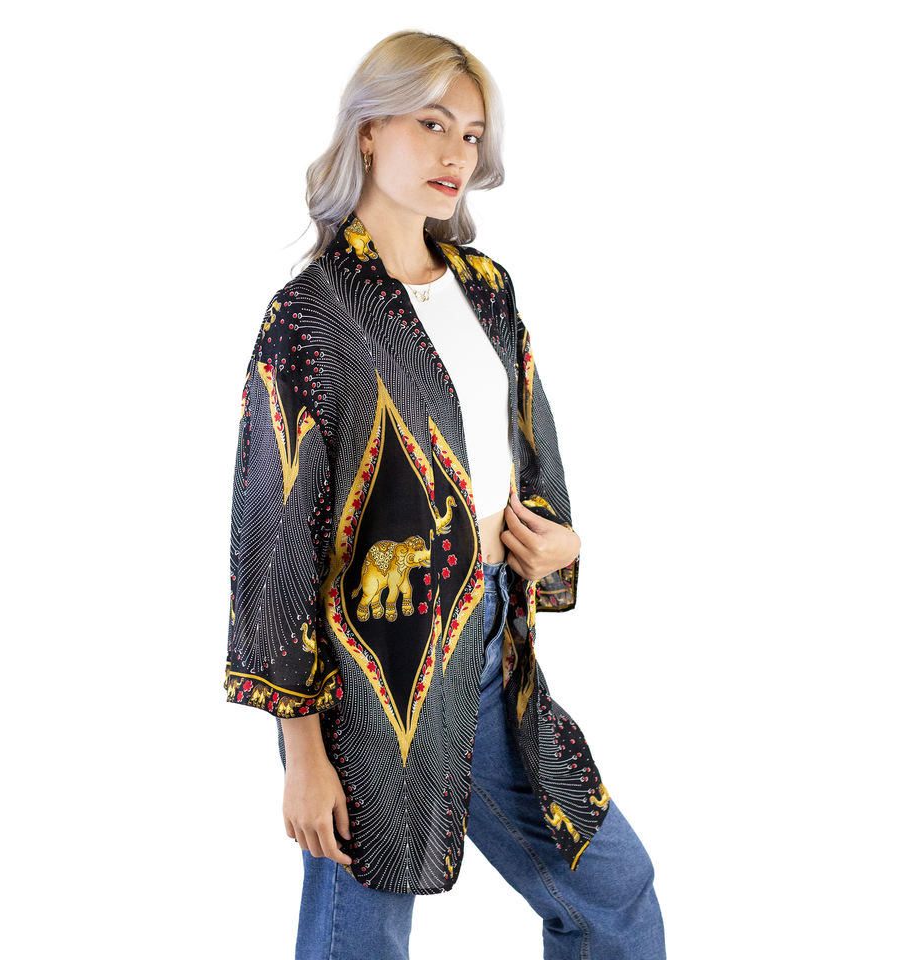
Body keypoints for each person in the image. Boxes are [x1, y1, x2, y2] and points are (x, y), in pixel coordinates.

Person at [224, 30, 667, 960]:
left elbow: (527, 450)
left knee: (612, 890)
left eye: (470, 134)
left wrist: (560, 545)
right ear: (369, 130)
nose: (456, 153)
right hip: (369, 671)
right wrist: (301, 754)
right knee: (361, 937)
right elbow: (273, 538)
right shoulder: (312, 315)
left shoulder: (486, 289)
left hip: (496, 646)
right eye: (432, 124)